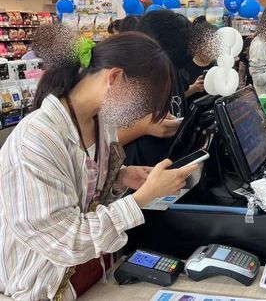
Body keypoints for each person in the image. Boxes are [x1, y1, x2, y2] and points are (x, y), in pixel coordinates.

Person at [0, 30, 197, 300]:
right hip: (43, 286)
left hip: (92, 275)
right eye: (142, 104)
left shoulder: (101, 122)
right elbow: (67, 240)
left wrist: (121, 177)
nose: (139, 115)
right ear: (114, 78)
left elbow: (86, 194)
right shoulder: (36, 141)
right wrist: (142, 198)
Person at [120, 10, 194, 166]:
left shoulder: (175, 71)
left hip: (166, 167)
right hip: (137, 175)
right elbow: (94, 143)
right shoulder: (126, 81)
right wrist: (143, 127)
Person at [184, 16, 218, 103]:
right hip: (191, 114)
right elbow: (174, 98)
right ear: (197, 44)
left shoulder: (217, 64)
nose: (212, 49)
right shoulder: (184, 65)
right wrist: (193, 88)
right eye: (208, 45)